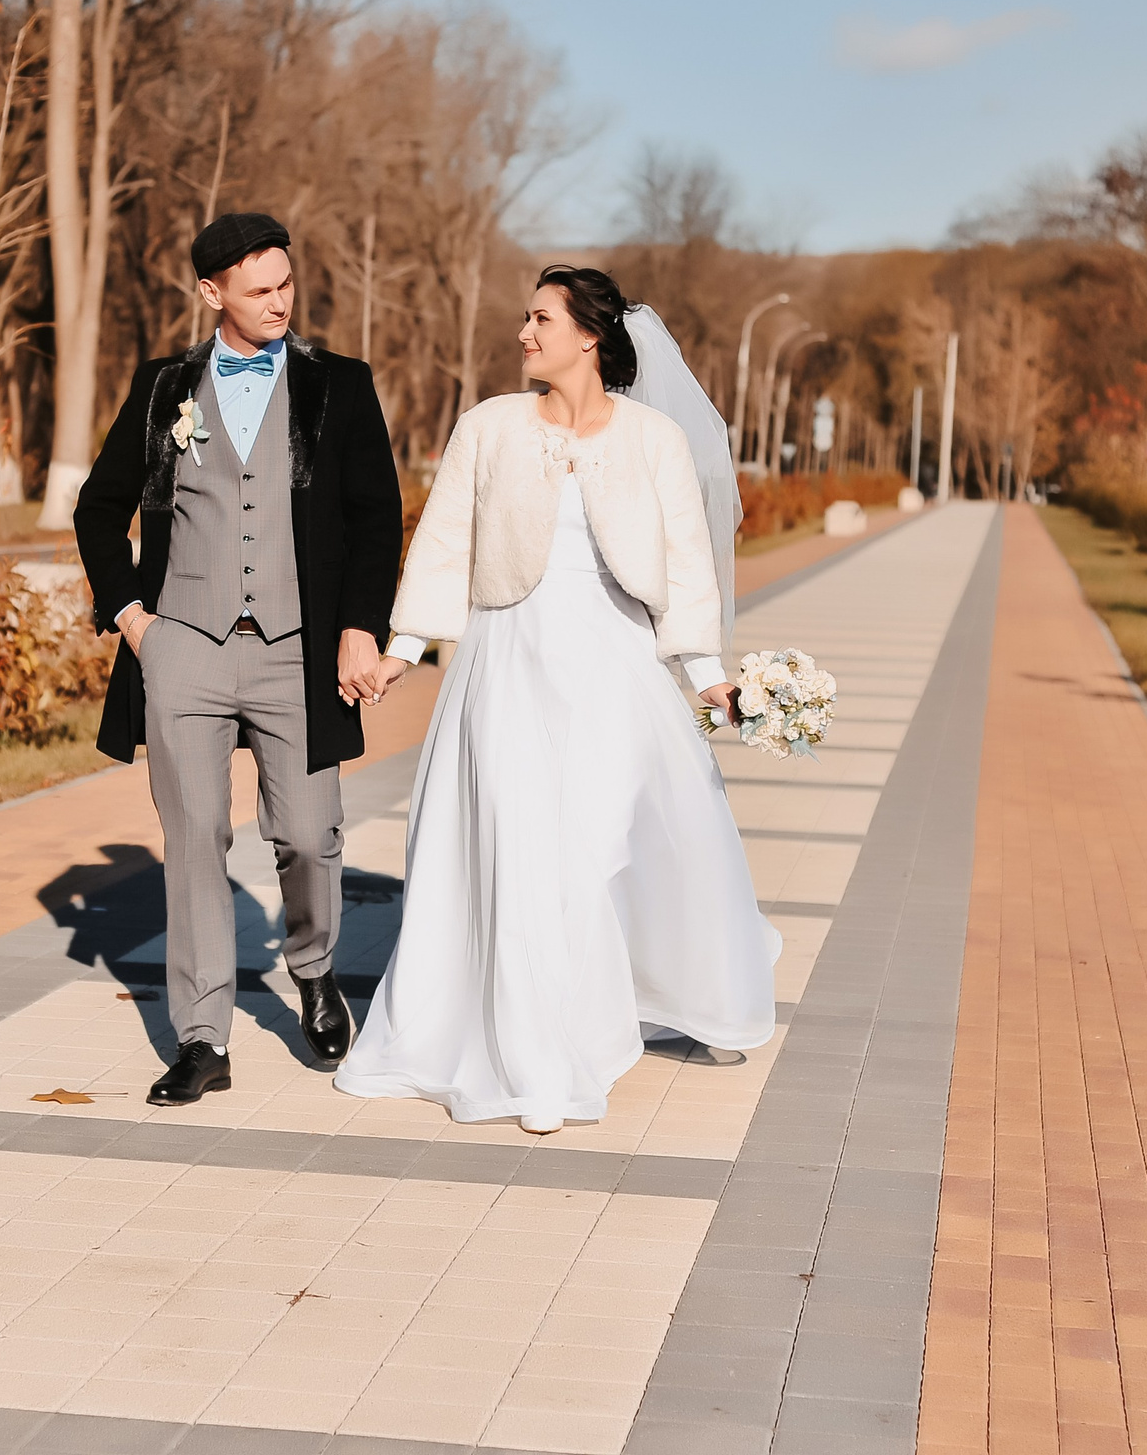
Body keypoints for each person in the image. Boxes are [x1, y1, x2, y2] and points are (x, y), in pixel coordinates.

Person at [334, 266, 777, 1135]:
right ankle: (535, 1065)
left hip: (615, 674)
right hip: (506, 665)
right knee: (513, 848)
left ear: (589, 337)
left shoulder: (654, 439)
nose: (525, 332)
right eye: (526, 316)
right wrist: (401, 650)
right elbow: (444, 543)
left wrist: (707, 677)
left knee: (586, 853)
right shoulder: (487, 426)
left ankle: (576, 1035)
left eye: (540, 318)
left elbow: (686, 567)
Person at [74, 212, 404, 1106]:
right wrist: (135, 621)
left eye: (287, 284)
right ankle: (202, 1037)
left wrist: (360, 625)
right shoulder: (162, 388)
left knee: (306, 834)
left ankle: (313, 966)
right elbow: (98, 510)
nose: (280, 304)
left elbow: (378, 519)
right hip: (184, 646)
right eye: (260, 291)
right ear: (212, 293)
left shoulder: (340, 384)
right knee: (193, 842)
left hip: (299, 651)